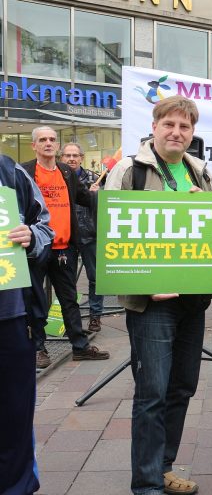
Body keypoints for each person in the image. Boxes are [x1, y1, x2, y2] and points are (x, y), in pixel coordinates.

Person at [105, 96, 212, 495]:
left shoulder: (201, 174)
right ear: (154, 127)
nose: (177, 132)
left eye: (185, 127)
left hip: (192, 299)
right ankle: (148, 484)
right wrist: (142, 282)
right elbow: (109, 237)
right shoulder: (129, 171)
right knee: (152, 393)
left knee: (182, 387)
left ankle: (164, 467)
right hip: (153, 303)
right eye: (169, 124)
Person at [22, 127, 108, 368]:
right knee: (36, 300)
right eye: (43, 140)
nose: (48, 143)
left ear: (56, 145)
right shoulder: (26, 172)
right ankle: (38, 348)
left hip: (64, 249)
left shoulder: (66, 172)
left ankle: (80, 347)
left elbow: (83, 197)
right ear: (34, 145)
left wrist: (99, 196)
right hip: (36, 249)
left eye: (52, 139)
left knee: (69, 299)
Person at [0, 153, 53, 495]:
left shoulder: (10, 171)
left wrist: (32, 238)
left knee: (14, 414)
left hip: (12, 316)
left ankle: (16, 487)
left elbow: (45, 227)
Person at [61, 142, 103, 332]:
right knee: (66, 280)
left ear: (81, 158)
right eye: (67, 155)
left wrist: (97, 195)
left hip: (89, 234)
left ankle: (95, 316)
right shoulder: (57, 177)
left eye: (75, 155)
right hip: (65, 235)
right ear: (61, 158)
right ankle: (71, 318)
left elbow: (107, 206)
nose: (71, 159)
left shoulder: (95, 178)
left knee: (95, 278)